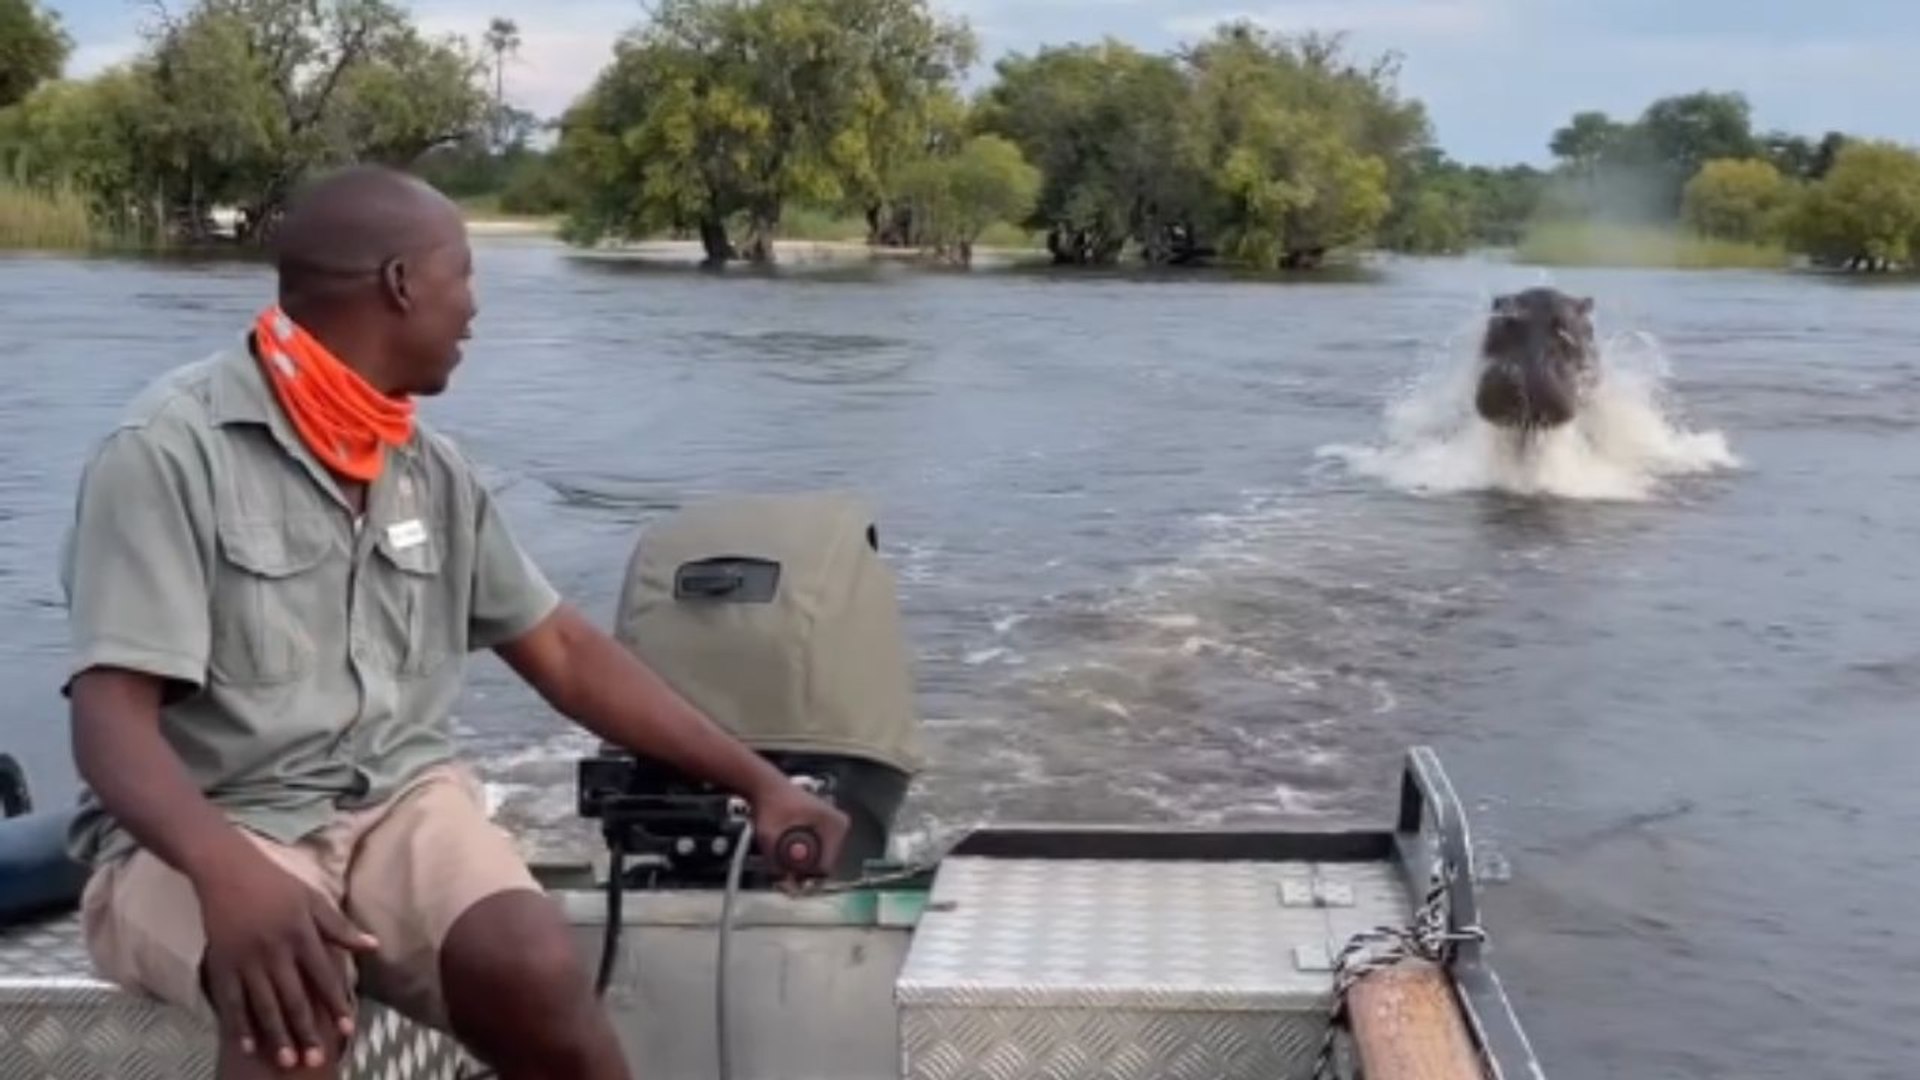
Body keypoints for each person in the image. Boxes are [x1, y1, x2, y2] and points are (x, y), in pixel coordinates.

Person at [58, 163, 850, 1080]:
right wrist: (225, 873)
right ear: (401, 284)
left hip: (397, 803)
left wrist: (760, 784)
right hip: (210, 824)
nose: (473, 308)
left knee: (532, 964)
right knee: (296, 1011)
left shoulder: (429, 471)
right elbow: (108, 719)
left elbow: (562, 650)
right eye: (462, 275)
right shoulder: (165, 451)